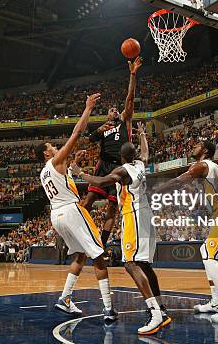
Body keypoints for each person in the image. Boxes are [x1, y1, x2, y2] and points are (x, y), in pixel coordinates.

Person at [71, 122, 171, 334]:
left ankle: (155, 314)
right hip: (146, 213)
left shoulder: (122, 171)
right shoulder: (140, 165)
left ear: (121, 157)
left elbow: (101, 180)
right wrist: (143, 134)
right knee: (143, 264)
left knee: (130, 263)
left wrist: (80, 173)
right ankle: (160, 306)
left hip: (133, 215)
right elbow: (145, 153)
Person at [34, 93, 117, 323]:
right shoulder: (54, 161)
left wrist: (75, 164)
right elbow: (76, 133)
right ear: (46, 153)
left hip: (56, 215)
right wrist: (88, 108)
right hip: (71, 210)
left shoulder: (44, 172)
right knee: (99, 255)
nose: (55, 147)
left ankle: (65, 298)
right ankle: (108, 308)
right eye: (51, 146)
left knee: (80, 255)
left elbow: (63, 178)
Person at [156, 141, 218, 323]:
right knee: (205, 251)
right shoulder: (214, 168)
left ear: (204, 150)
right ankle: (217, 301)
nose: (192, 147)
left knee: (210, 256)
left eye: (196, 145)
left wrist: (154, 191)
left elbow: (178, 181)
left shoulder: (201, 165)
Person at [82, 57, 142, 247]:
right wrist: (98, 130)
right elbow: (87, 140)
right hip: (104, 164)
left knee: (112, 209)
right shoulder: (104, 127)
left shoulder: (125, 120)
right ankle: (79, 234)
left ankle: (101, 243)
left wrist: (132, 75)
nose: (114, 110)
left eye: (116, 109)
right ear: (107, 115)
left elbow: (130, 99)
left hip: (120, 166)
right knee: (88, 200)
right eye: (110, 109)